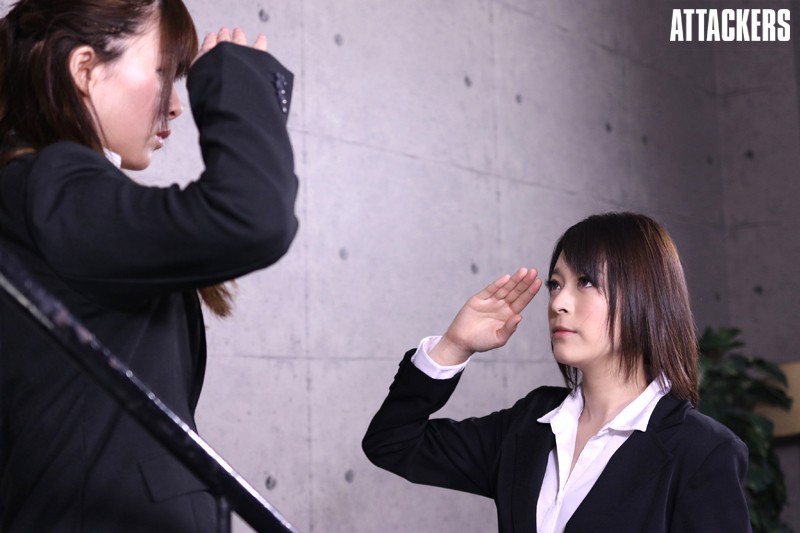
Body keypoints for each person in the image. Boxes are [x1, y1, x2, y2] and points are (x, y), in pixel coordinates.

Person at [0, 0, 298, 530]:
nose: (177, 106)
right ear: (85, 69)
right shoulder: (50, 183)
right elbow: (252, 217)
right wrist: (236, 81)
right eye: (164, 73)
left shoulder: (45, 194)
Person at [363, 212, 751, 533]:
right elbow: (391, 443)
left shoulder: (702, 451)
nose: (558, 303)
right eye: (555, 284)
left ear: (644, 295)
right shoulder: (529, 424)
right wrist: (454, 345)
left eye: (586, 282)